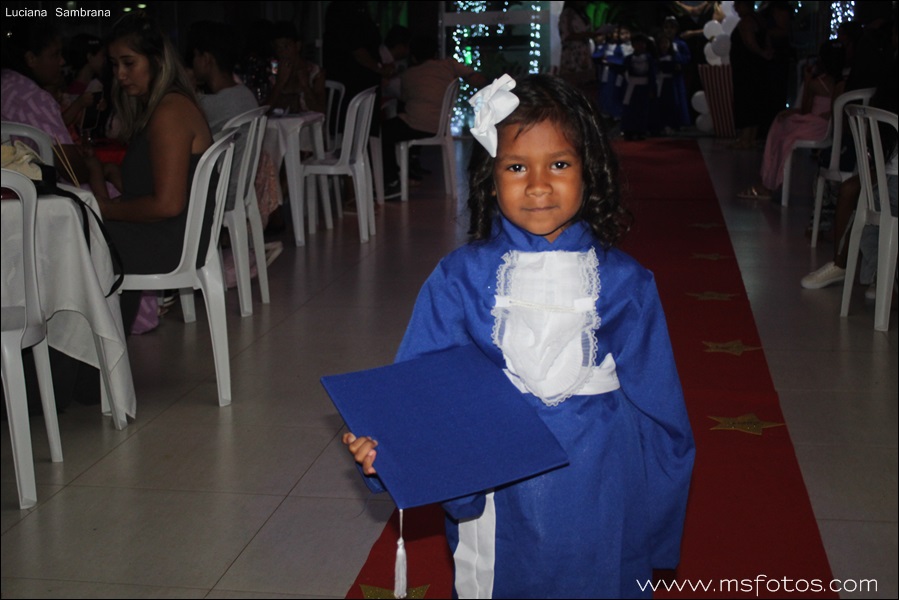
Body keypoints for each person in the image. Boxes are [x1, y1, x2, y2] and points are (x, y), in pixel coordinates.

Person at [344, 73, 695, 597]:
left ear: (589, 172)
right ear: (490, 179)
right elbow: (419, 391)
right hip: (495, 486)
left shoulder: (628, 283)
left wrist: (656, 527)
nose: (538, 184)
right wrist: (385, 452)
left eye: (559, 164)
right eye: (516, 166)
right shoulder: (458, 278)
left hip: (601, 481)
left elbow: (661, 412)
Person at [98, 12, 214, 333]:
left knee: (68, 241)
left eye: (129, 63)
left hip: (168, 242)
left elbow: (167, 204)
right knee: (77, 233)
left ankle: (89, 354)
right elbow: (150, 186)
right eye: (114, 65)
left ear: (156, 61)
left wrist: (106, 208)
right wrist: (108, 176)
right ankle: (101, 349)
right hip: (167, 233)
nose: (120, 75)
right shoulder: (163, 106)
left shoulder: (169, 112)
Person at [1, 18, 110, 202]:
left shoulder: (6, 84)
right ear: (31, 59)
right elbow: (72, 171)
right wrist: (91, 167)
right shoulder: (35, 99)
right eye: (55, 54)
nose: (62, 61)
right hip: (52, 200)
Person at [379, 34, 486, 197]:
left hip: (418, 124)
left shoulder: (409, 74)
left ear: (413, 57)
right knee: (407, 120)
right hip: (441, 124)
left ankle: (392, 180)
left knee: (383, 132)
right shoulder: (449, 65)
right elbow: (477, 79)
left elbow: (405, 98)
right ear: (436, 54)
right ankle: (410, 169)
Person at [737, 39, 845, 201]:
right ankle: (768, 181)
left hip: (815, 125)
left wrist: (807, 81)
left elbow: (806, 109)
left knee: (781, 131)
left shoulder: (816, 83)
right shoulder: (842, 83)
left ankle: (767, 182)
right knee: (782, 123)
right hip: (826, 126)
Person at [728, 0, 774, 149]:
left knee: (746, 102)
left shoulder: (746, 21)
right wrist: (766, 52)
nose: (736, 8)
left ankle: (745, 139)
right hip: (757, 68)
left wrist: (761, 53)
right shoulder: (758, 20)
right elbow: (766, 39)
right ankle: (751, 138)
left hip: (746, 68)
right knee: (755, 102)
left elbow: (749, 42)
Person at [266, 21, 326, 115]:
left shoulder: (315, 73)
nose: (282, 52)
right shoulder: (273, 73)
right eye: (278, 48)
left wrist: (306, 86)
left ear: (297, 46)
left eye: (286, 46)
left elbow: (320, 111)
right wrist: (279, 84)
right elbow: (263, 111)